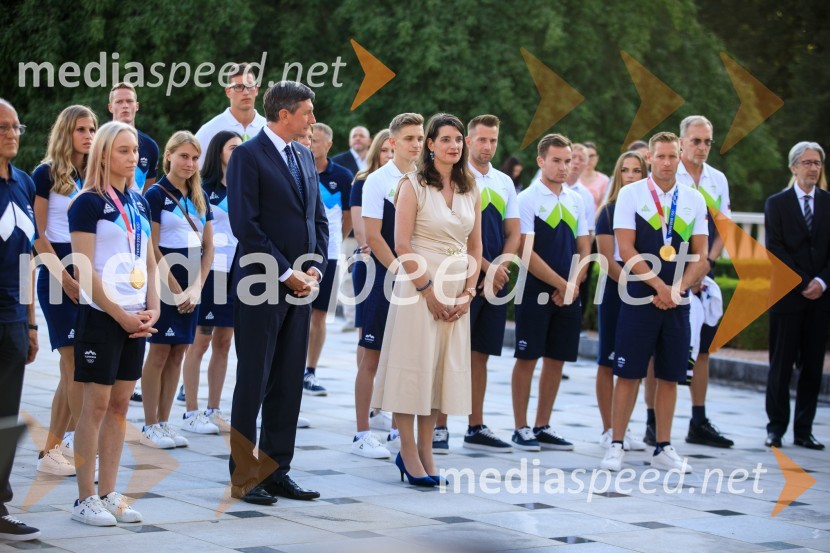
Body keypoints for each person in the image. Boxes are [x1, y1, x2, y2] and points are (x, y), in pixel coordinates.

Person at [227, 80, 327, 505]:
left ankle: (277, 470)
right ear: (283, 114)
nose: (312, 120)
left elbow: (316, 219)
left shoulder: (304, 154)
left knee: (289, 380)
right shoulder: (247, 157)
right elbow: (245, 226)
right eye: (306, 112)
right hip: (258, 284)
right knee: (254, 379)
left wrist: (313, 267)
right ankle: (244, 475)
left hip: (300, 287)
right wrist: (286, 273)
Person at [372, 112, 482, 487]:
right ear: (430, 145)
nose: (455, 145)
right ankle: (407, 452)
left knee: (438, 374)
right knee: (413, 370)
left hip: (457, 292)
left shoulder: (471, 187)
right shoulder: (412, 184)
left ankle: (426, 449)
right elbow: (401, 244)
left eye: (459, 139)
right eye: (446, 139)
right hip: (418, 287)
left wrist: (469, 292)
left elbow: (477, 246)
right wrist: (427, 291)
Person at [600, 131, 708, 473]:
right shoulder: (631, 194)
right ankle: (616, 444)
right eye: (660, 156)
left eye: (672, 156)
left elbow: (702, 255)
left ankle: (663, 446)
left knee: (670, 375)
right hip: (638, 297)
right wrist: (660, 287)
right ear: (649, 157)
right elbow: (626, 249)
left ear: (680, 157)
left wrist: (677, 290)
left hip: (678, 300)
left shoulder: (694, 199)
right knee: (628, 373)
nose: (666, 162)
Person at [69, 121, 159, 526]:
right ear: (104, 155)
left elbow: (150, 261)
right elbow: (84, 271)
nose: (134, 156)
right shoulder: (86, 203)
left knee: (121, 406)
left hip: (136, 316)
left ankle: (109, 492)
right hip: (103, 316)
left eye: (135, 149)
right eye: (124, 150)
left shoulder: (140, 203)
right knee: (96, 405)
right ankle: (85, 498)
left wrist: (153, 307)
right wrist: (120, 315)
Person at [432, 115, 518, 454]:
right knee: (448, 353)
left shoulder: (504, 182)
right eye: (481, 139)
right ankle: (438, 427)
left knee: (480, 355)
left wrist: (500, 266)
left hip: (494, 282)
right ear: (467, 140)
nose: (487, 146)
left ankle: (475, 424)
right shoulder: (455, 179)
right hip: (458, 276)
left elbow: (514, 233)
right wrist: (486, 267)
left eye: (493, 140)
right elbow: (458, 236)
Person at [511, 134, 590, 452]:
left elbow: (586, 247)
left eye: (567, 161)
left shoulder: (576, 199)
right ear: (541, 161)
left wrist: (573, 285)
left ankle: (542, 425)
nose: (563, 167)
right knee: (527, 358)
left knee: (557, 359)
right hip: (534, 291)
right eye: (556, 160)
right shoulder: (527, 199)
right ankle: (521, 427)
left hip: (569, 292)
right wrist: (562, 285)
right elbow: (523, 251)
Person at [353, 115, 424, 459]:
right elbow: (372, 237)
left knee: (406, 358)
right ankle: (362, 433)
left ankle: (401, 429)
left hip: (417, 277)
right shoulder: (377, 181)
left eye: (420, 138)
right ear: (392, 142)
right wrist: (399, 270)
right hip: (384, 277)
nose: (416, 144)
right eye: (409, 138)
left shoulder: (427, 179)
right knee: (372, 356)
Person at [32, 106, 97, 476]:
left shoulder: (93, 174)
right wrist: (64, 277)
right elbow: (38, 235)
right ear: (66, 133)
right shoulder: (45, 174)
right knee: (75, 364)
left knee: (68, 368)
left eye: (92, 129)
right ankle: (79, 448)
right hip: (58, 275)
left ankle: (52, 450)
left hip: (88, 273)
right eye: (81, 129)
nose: (88, 135)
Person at [141, 132, 214, 447]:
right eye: (184, 156)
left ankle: (165, 421)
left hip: (192, 284)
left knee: (179, 352)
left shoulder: (200, 196)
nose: (190, 163)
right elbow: (152, 246)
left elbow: (208, 247)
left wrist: (196, 287)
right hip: (165, 281)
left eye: (195, 158)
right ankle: (149, 424)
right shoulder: (155, 195)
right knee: (158, 352)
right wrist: (174, 288)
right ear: (169, 155)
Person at [671, 115, 734, 448]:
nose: (702, 147)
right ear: (681, 142)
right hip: (670, 271)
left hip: (703, 274)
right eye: (696, 140)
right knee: (662, 351)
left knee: (705, 350)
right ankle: (654, 422)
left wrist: (706, 263)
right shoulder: (670, 175)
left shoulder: (717, 179)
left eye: (707, 141)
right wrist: (684, 274)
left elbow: (723, 227)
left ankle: (698, 420)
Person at [764, 141, 829, 450]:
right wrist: (803, 281)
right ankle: (775, 428)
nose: (813, 168)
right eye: (807, 163)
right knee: (781, 365)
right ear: (793, 167)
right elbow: (774, 247)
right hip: (786, 297)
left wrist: (821, 281)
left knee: (813, 367)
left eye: (817, 163)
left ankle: (804, 430)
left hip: (821, 298)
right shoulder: (777, 203)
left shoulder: (829, 202)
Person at [180, 131, 241, 434]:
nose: (240, 152)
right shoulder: (203, 190)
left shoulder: (246, 188)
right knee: (200, 341)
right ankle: (191, 411)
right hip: (210, 273)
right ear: (219, 152)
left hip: (238, 273)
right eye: (233, 148)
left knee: (224, 342)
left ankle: (214, 409)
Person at [0, 98, 41, 541]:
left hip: (12, 317)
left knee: (5, 416)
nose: (12, 134)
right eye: (3, 127)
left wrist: (30, 323)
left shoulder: (25, 183)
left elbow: (28, 260)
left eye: (16, 126)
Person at [595, 152, 648, 452]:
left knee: (634, 362)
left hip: (642, 292)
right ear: (618, 175)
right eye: (625, 170)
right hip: (617, 291)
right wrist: (634, 285)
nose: (630, 175)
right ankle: (608, 428)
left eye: (637, 170)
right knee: (608, 360)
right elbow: (606, 260)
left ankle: (623, 428)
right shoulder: (608, 211)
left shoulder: (651, 211)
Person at [305, 123, 354, 396]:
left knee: (320, 316)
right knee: (297, 314)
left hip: (330, 254)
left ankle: (310, 371)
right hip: (300, 253)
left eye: (317, 141)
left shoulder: (343, 176)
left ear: (328, 145)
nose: (312, 145)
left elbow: (348, 217)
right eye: (310, 139)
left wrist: (332, 243)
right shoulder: (296, 168)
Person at [195, 62, 266, 166]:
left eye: (250, 86)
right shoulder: (209, 131)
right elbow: (193, 171)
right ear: (228, 91)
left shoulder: (269, 129)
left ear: (256, 89)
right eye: (238, 87)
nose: (245, 92)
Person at [108, 82, 158, 193]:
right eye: (119, 102)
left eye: (129, 101)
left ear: (137, 106)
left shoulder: (150, 146)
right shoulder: (99, 142)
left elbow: (146, 194)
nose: (125, 105)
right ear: (110, 107)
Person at [581, 141, 610, 211]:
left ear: (597, 158)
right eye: (585, 156)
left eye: (591, 156)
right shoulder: (571, 179)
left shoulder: (604, 180)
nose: (588, 159)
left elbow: (604, 205)